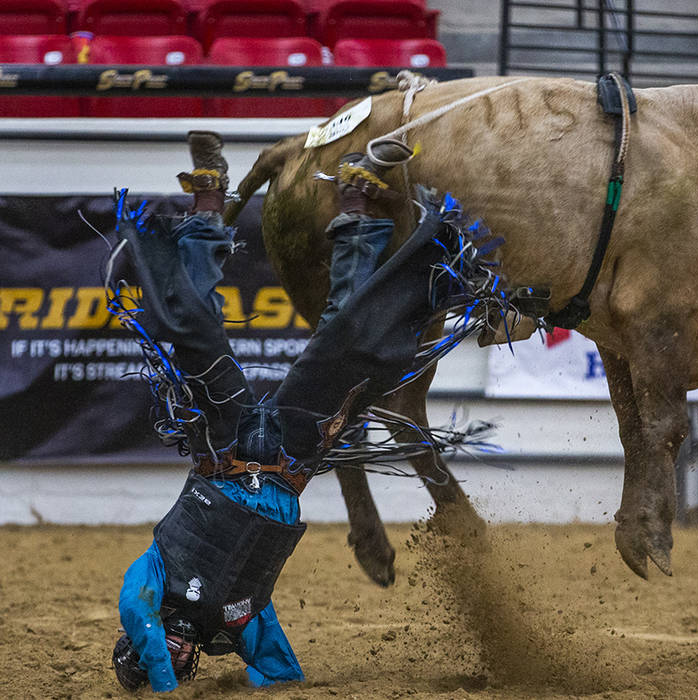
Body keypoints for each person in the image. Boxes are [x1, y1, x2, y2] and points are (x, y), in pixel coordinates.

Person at [110, 131, 503, 692]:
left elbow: (146, 624)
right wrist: (250, 671)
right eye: (174, 663)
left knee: (191, 328)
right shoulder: (232, 623)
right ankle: (355, 197)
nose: (168, 656)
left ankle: (208, 199)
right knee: (346, 338)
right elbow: (280, 670)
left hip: (221, 448)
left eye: (158, 659)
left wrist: (162, 684)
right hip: (291, 456)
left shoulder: (144, 596)